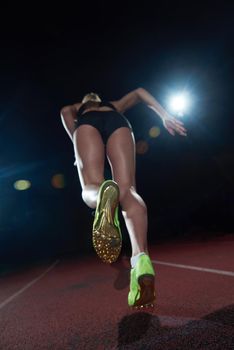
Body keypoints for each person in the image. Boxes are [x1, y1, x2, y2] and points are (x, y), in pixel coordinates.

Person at [60, 87, 187, 308]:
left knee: (91, 183)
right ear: (100, 99)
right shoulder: (114, 105)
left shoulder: (76, 109)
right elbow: (139, 92)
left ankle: (101, 196)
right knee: (128, 191)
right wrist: (164, 114)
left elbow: (67, 119)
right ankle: (141, 259)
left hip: (87, 125)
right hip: (118, 122)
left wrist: (77, 146)